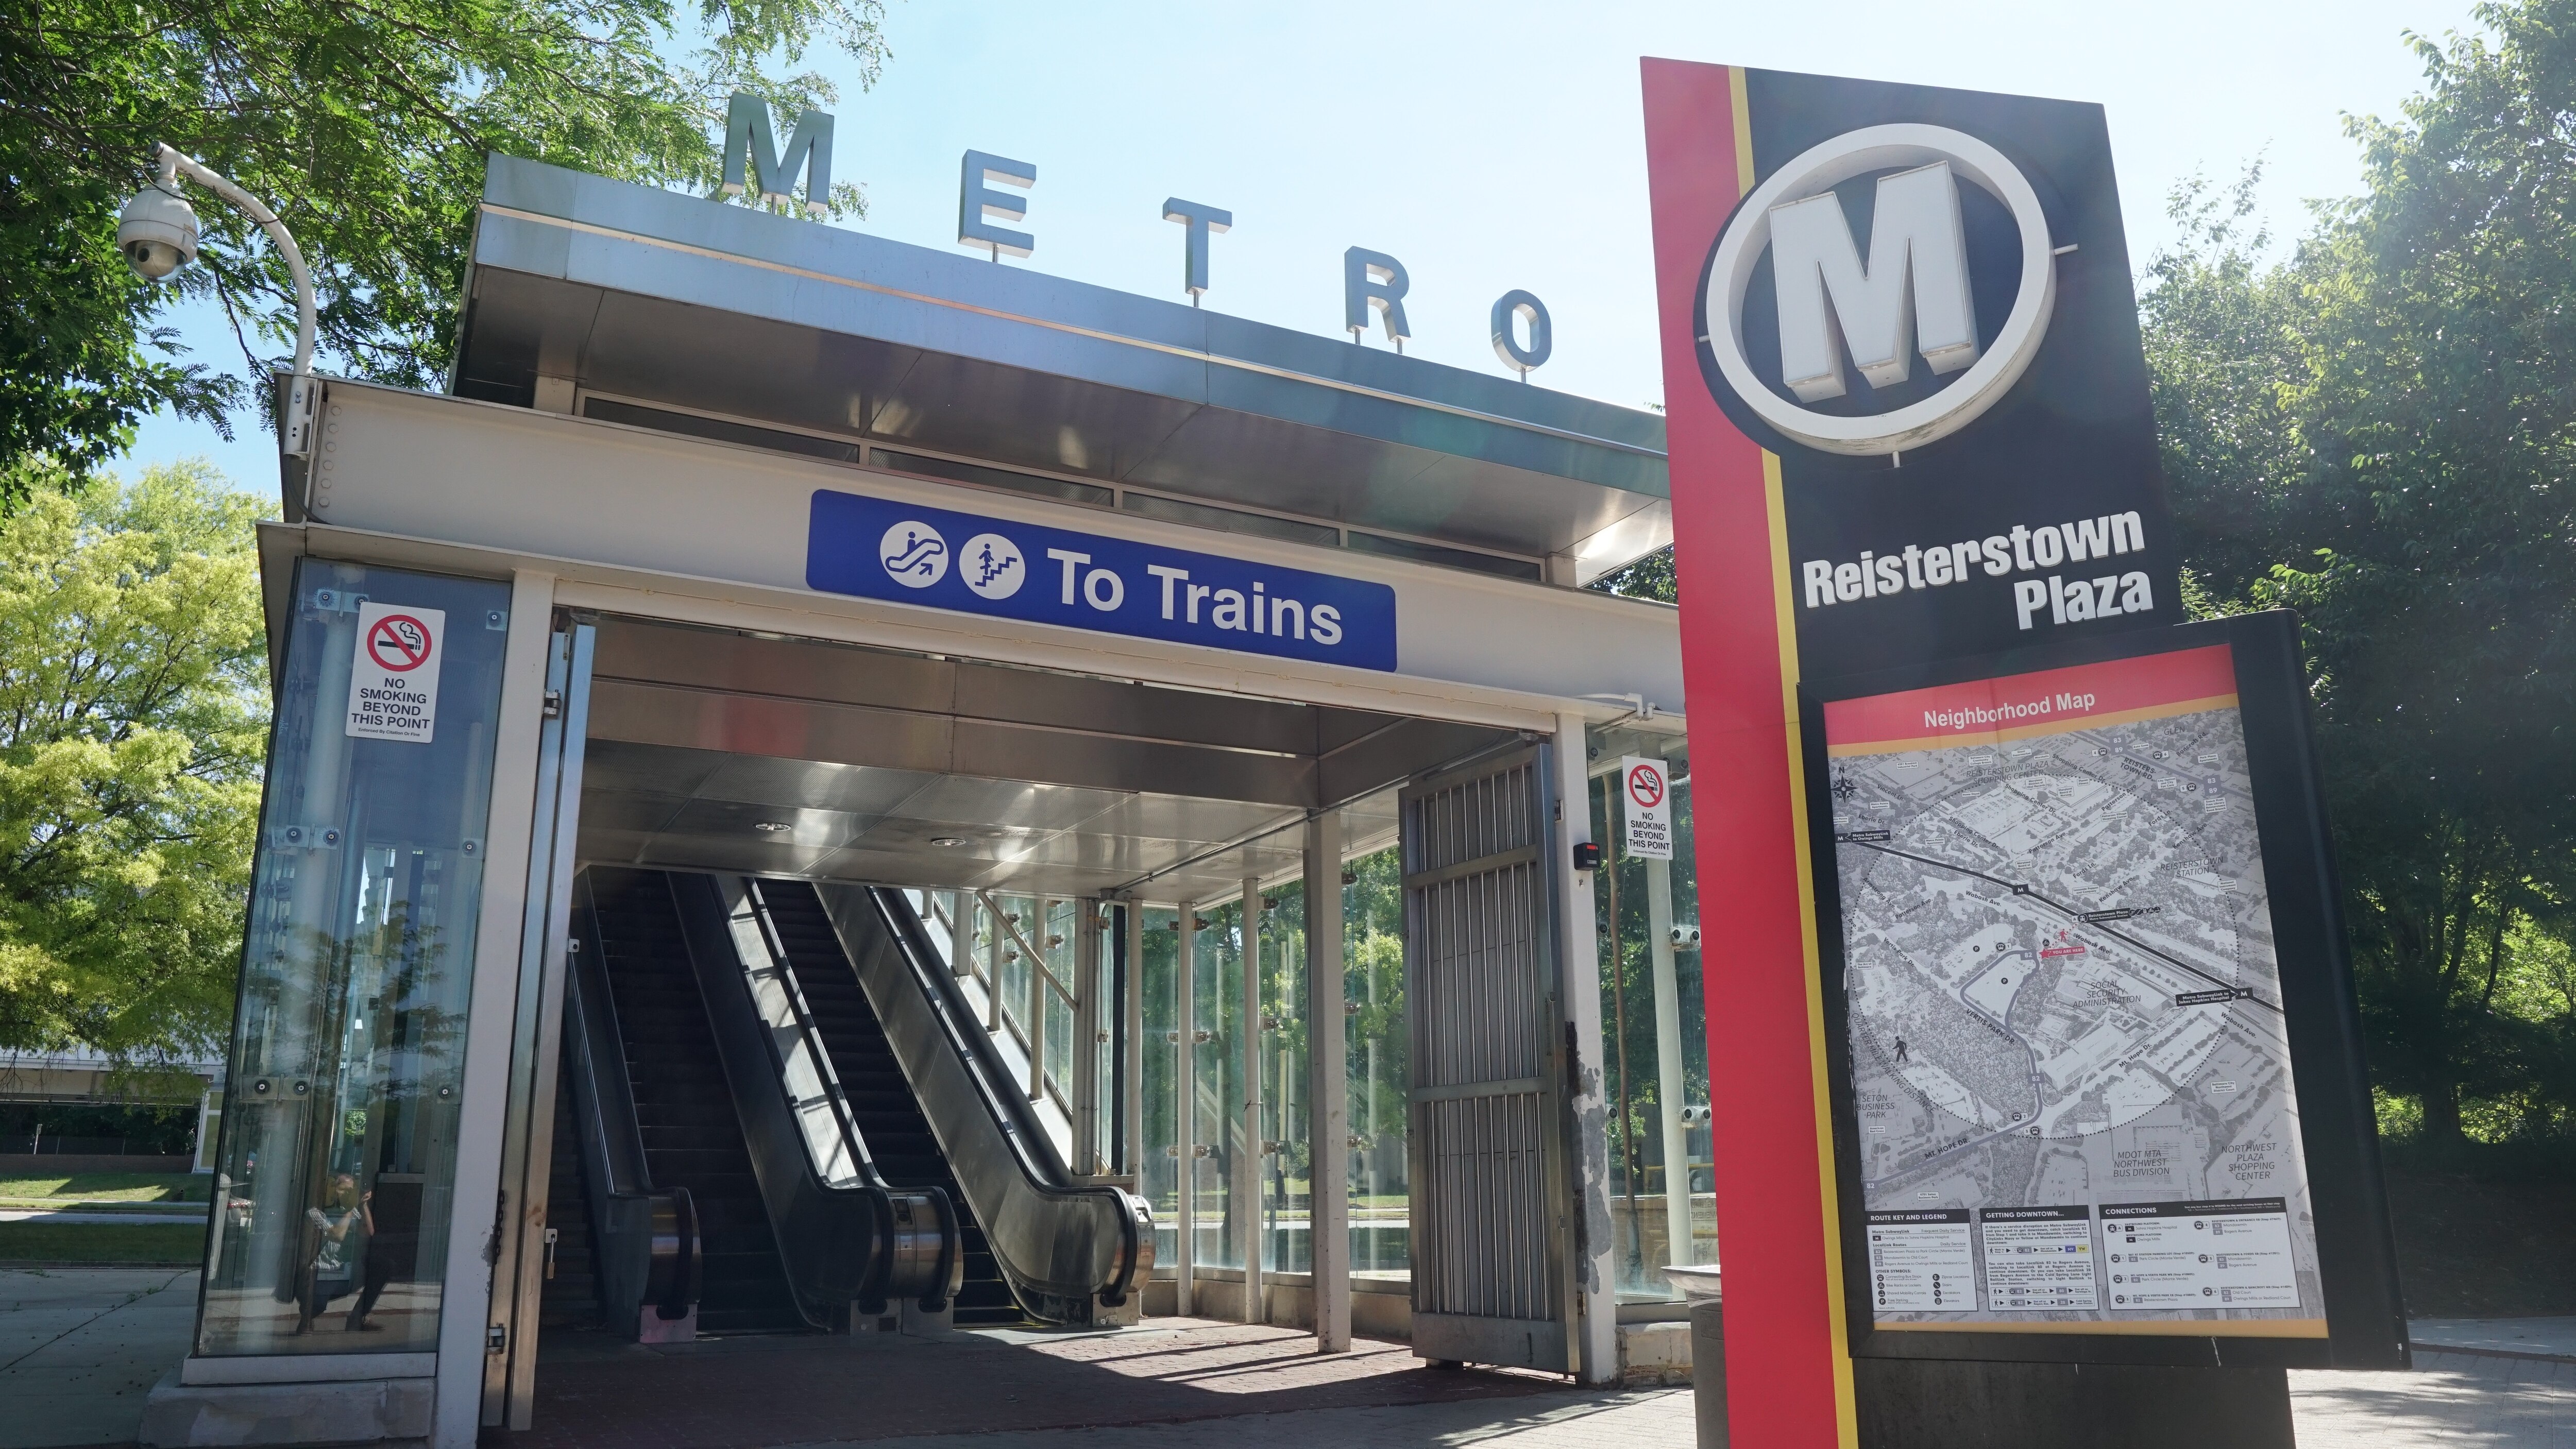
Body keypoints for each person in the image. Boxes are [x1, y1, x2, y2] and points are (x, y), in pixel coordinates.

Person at [298, 1173, 363, 1330]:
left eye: (350, 1192)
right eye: (343, 1190)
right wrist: (349, 1211)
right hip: (321, 1269)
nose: (346, 1195)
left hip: (341, 1267)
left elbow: (368, 1231)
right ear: (333, 1189)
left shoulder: (349, 1209)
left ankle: (360, 1317)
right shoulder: (315, 1212)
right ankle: (306, 1320)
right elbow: (338, 1235)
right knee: (319, 1305)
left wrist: (364, 1204)